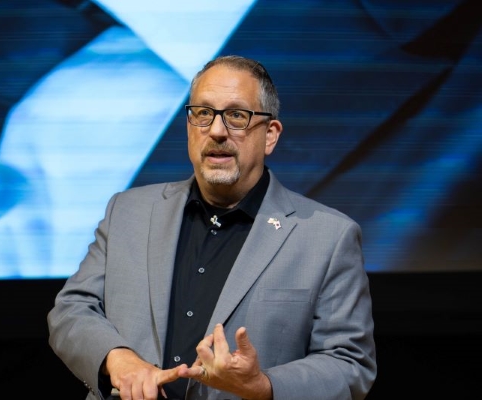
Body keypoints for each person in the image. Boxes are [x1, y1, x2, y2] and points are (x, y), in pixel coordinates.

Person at [47, 55, 377, 399]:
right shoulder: (127, 212)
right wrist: (117, 358)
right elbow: (72, 309)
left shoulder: (328, 237)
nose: (217, 131)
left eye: (237, 116)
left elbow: (349, 364)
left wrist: (262, 386)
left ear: (270, 136)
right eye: (203, 113)